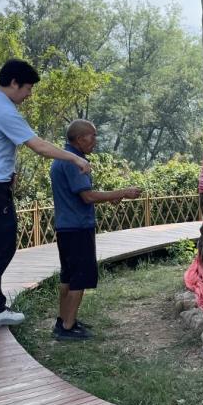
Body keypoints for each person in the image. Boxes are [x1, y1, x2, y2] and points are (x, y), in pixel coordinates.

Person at [0, 59, 92, 335]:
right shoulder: (4, 110)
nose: (29, 94)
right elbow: (39, 146)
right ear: (13, 83)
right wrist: (75, 159)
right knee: (3, 249)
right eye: (27, 88)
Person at [50, 119, 141, 341]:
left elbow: (81, 195)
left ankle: (64, 320)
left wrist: (112, 197)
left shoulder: (62, 158)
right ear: (80, 139)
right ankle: (68, 328)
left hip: (65, 226)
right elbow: (87, 196)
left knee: (68, 277)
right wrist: (123, 192)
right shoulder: (74, 162)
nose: (95, 140)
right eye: (93, 135)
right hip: (78, 227)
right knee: (80, 278)